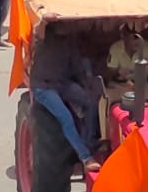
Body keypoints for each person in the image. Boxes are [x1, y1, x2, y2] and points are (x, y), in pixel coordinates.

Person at [29, 26, 101, 173]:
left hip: (62, 83)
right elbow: (38, 29)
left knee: (92, 102)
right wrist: (46, 19)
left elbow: (77, 68)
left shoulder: (70, 42)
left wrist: (88, 85)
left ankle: (88, 142)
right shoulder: (45, 38)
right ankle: (86, 157)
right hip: (43, 86)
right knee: (66, 118)